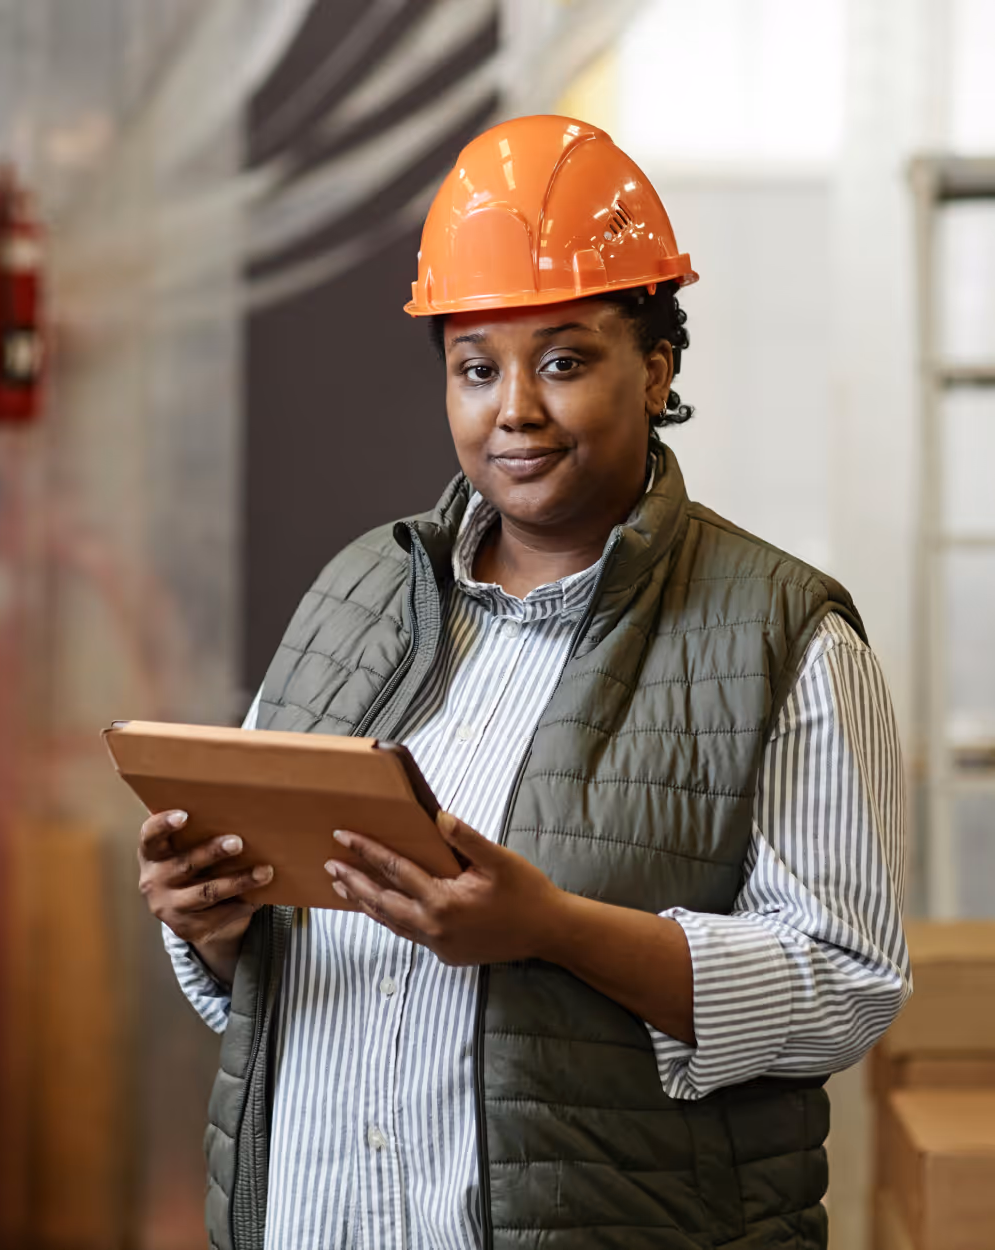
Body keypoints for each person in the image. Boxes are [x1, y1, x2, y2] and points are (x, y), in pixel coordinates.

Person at [138, 116, 910, 1250]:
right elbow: (269, 953)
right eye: (475, 366)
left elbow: (844, 982)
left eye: (563, 359)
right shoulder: (357, 592)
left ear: (654, 368)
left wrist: (551, 926)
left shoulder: (779, 628)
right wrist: (207, 917)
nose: (514, 409)